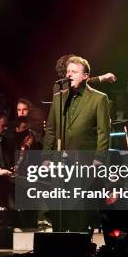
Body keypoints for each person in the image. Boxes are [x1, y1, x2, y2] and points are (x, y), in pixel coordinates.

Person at [43, 55, 111, 232]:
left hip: (85, 161)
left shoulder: (99, 98)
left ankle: (80, 246)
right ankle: (60, 244)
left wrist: (99, 159)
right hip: (61, 161)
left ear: (86, 76)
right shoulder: (59, 98)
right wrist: (46, 157)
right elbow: (51, 129)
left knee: (80, 206)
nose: (69, 74)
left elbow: (104, 132)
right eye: (68, 71)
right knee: (60, 205)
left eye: (74, 71)